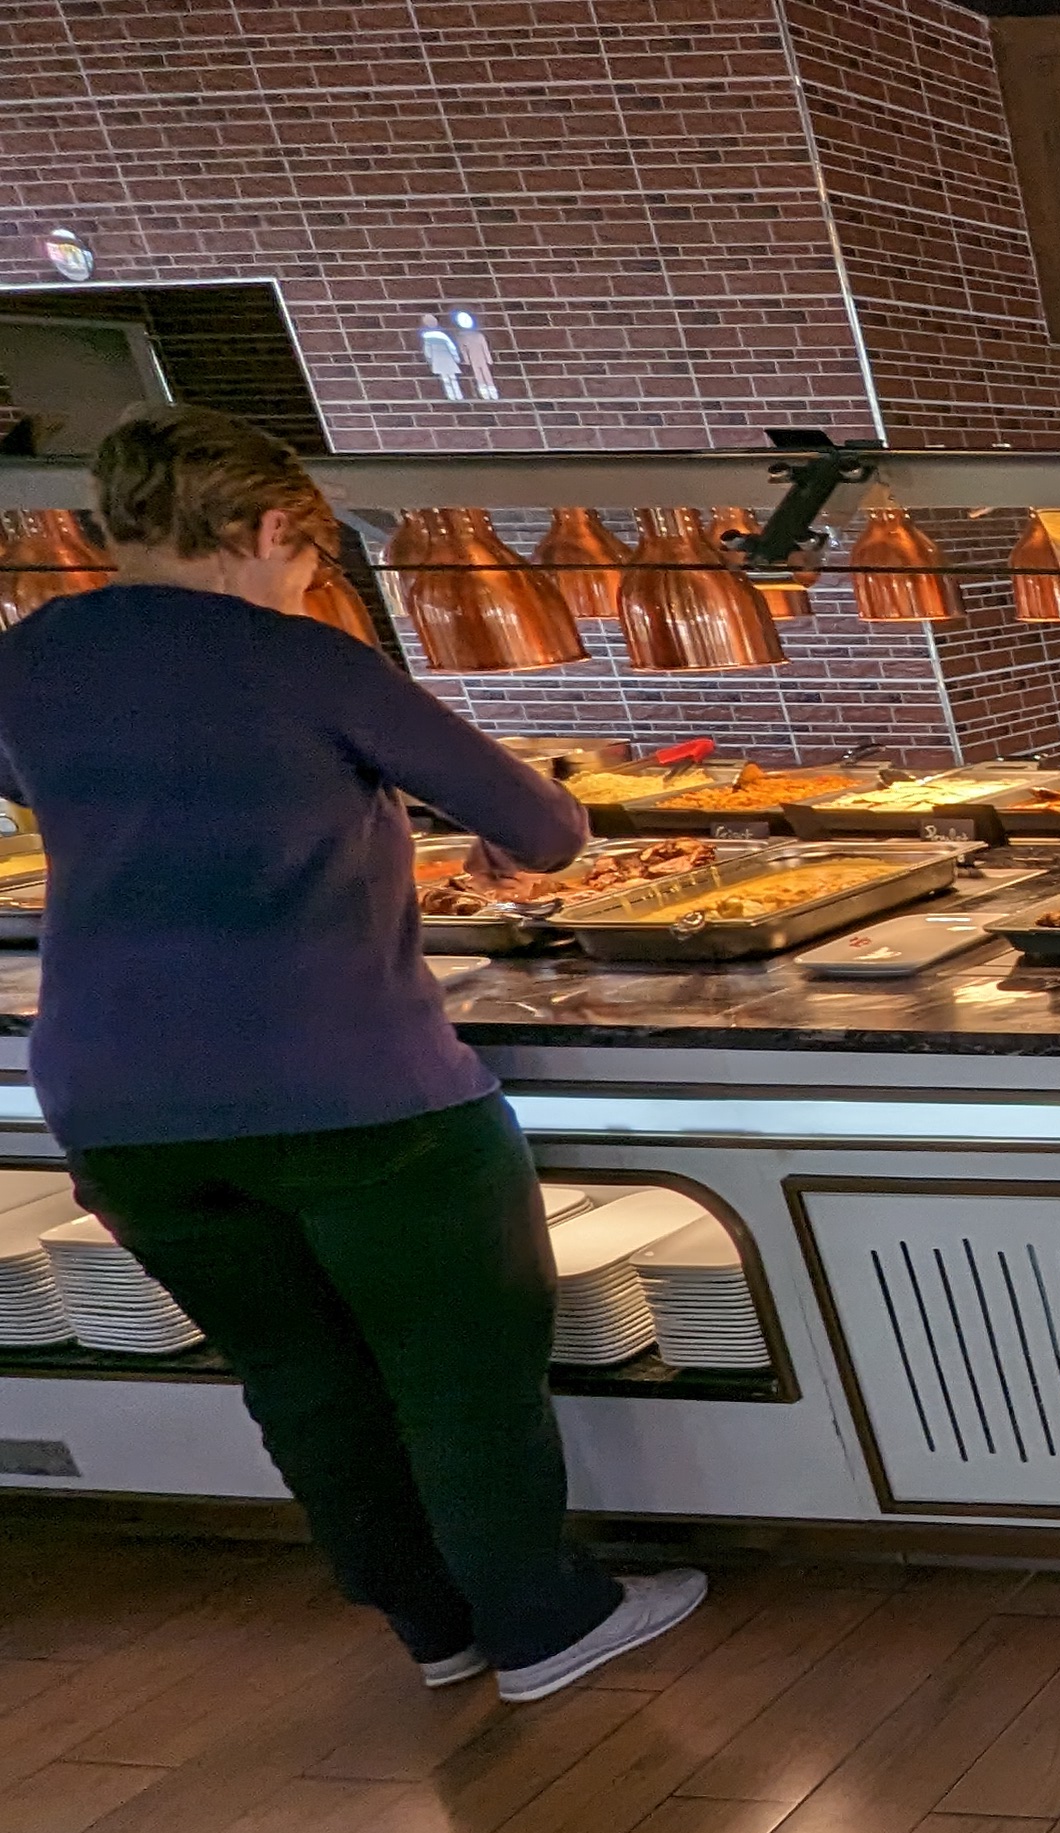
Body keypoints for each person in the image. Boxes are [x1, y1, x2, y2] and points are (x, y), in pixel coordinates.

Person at [0, 407, 702, 1701]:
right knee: (459, 1371)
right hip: (357, 1093)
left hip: (116, 1105)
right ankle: (544, 1625)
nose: (307, 579)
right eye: (313, 557)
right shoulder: (301, 657)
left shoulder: (32, 654)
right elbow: (544, 831)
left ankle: (433, 1630)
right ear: (272, 527)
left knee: (298, 1380)